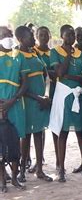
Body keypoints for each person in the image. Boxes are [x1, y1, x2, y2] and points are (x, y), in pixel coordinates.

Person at [49, 24, 82, 182]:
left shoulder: (81, 54)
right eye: (68, 34)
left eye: (73, 34)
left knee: (80, 132)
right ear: (62, 36)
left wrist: (69, 76)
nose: (72, 37)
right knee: (63, 132)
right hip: (64, 95)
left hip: (78, 94)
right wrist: (68, 55)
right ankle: (61, 169)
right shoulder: (55, 52)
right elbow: (59, 73)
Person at [15, 26, 52, 182]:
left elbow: (46, 76)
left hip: (41, 101)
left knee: (39, 134)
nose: (34, 38)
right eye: (31, 36)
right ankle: (22, 171)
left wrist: (46, 96)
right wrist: (38, 98)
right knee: (26, 136)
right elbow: (19, 85)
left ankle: (40, 170)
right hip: (29, 102)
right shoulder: (17, 56)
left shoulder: (34, 53)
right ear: (21, 39)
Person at [0, 26, 27, 190]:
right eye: (4, 35)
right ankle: (3, 180)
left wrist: (13, 99)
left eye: (9, 34)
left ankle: (15, 177)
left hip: (16, 103)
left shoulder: (19, 56)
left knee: (16, 140)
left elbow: (25, 82)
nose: (8, 37)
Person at [35, 26, 59, 170]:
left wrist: (48, 73)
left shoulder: (53, 53)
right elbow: (47, 72)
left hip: (54, 92)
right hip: (40, 94)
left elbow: (55, 73)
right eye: (41, 35)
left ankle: (58, 159)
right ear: (37, 36)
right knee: (40, 128)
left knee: (56, 126)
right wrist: (50, 72)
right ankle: (39, 159)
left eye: (46, 34)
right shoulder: (34, 52)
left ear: (50, 36)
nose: (44, 37)